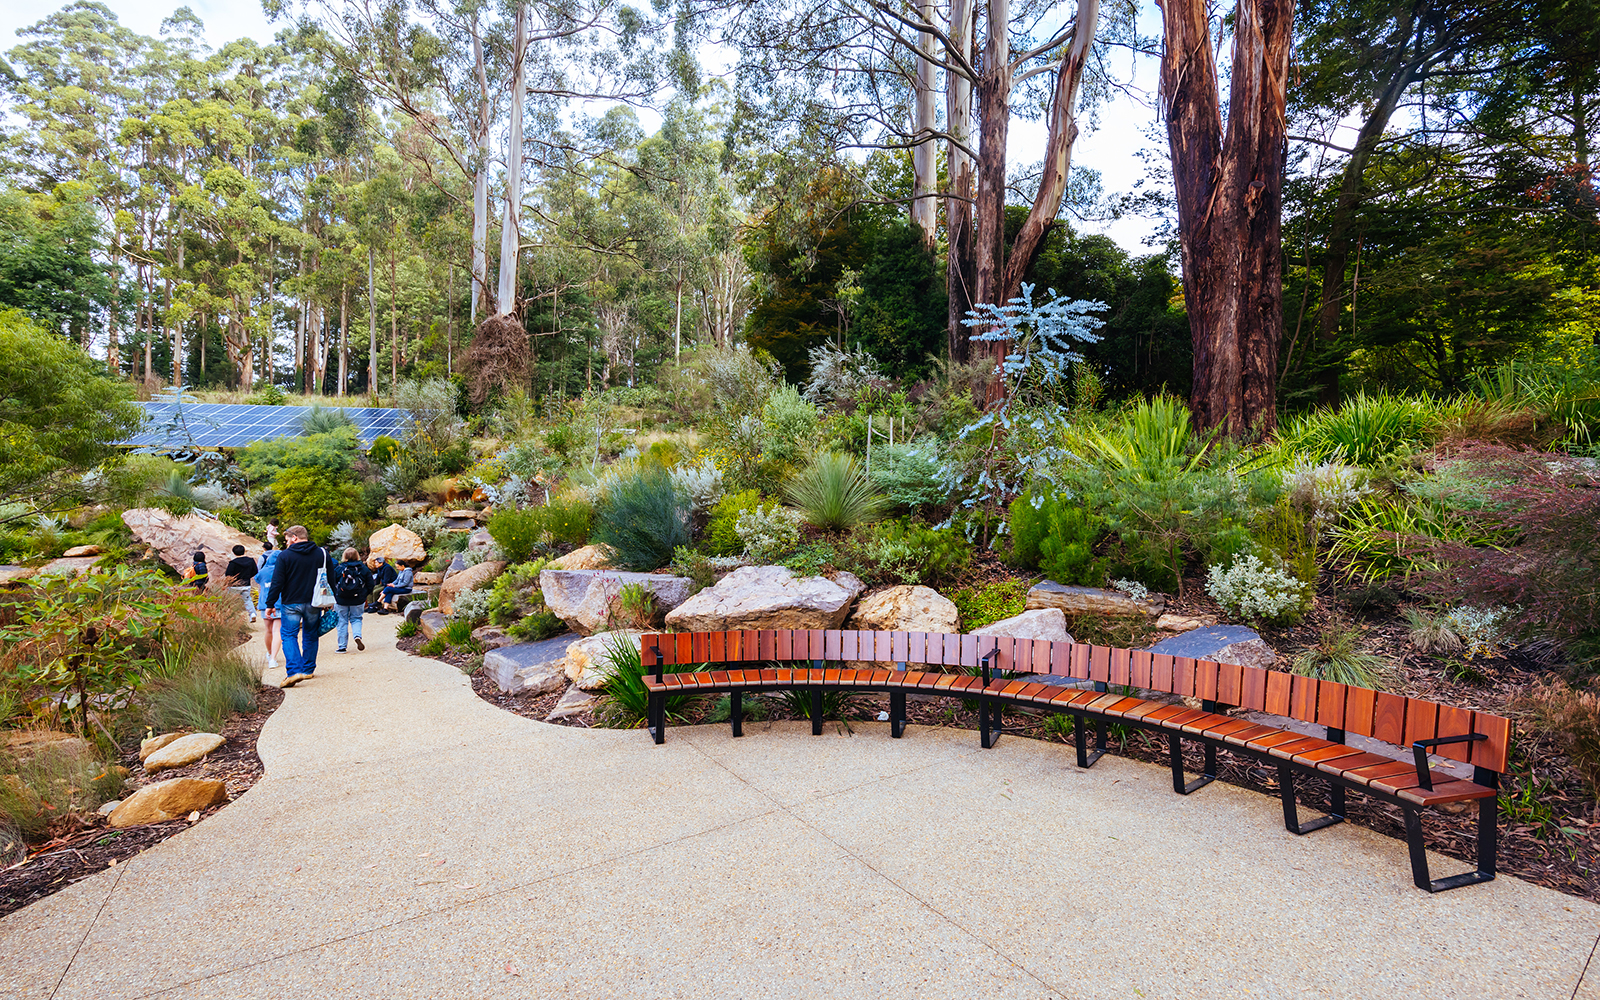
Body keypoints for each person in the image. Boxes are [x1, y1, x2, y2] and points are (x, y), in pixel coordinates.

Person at [264, 525, 327, 688]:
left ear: (294, 537)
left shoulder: (285, 556)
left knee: (289, 634)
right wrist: (330, 602)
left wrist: (270, 604)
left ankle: (294, 671)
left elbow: (277, 582)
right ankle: (307, 670)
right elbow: (330, 577)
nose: (286, 543)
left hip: (291, 602)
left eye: (286, 539)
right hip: (314, 601)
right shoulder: (321, 553)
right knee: (311, 634)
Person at [331, 547, 373, 652]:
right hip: (358, 599)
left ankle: (342, 647)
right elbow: (371, 584)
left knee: (341, 621)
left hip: (341, 599)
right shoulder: (363, 568)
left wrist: (335, 595)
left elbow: (332, 583)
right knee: (356, 618)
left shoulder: (339, 568)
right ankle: (357, 636)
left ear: (344, 556)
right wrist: (364, 595)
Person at [256, 541, 280, 659]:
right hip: (279, 603)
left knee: (268, 630)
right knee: (277, 631)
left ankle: (270, 652)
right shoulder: (282, 570)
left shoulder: (264, 571)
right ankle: (273, 658)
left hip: (264, 602)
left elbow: (257, 579)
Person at [223, 544, 258, 619]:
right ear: (244, 551)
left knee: (232, 601)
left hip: (234, 586)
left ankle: (232, 617)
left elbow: (228, 574)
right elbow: (255, 571)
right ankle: (252, 614)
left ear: (234, 553)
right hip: (246, 584)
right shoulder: (251, 561)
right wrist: (247, 577)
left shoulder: (233, 563)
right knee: (247, 599)